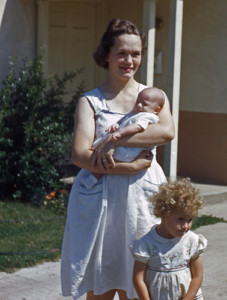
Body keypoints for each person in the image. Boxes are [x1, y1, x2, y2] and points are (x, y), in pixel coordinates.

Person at [61, 18, 174, 300]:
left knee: (139, 283)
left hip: (141, 200)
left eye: (135, 54)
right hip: (102, 202)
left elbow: (166, 132)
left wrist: (115, 138)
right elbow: (80, 154)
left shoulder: (153, 96)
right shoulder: (91, 101)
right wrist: (129, 167)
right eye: (122, 52)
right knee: (101, 280)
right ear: (107, 54)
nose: (129, 60)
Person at [130, 178, 207, 300]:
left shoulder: (192, 241)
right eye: (180, 219)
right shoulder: (146, 243)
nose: (186, 226)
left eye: (190, 220)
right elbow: (138, 278)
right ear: (163, 213)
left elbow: (197, 275)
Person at [92, 87, 165, 164]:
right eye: (138, 102)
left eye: (145, 104)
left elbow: (137, 127)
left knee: (111, 160)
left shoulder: (147, 116)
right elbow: (125, 121)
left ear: (156, 110)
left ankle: (99, 172)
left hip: (130, 149)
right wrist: (117, 125)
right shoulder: (135, 113)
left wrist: (120, 133)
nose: (139, 105)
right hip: (122, 144)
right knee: (103, 154)